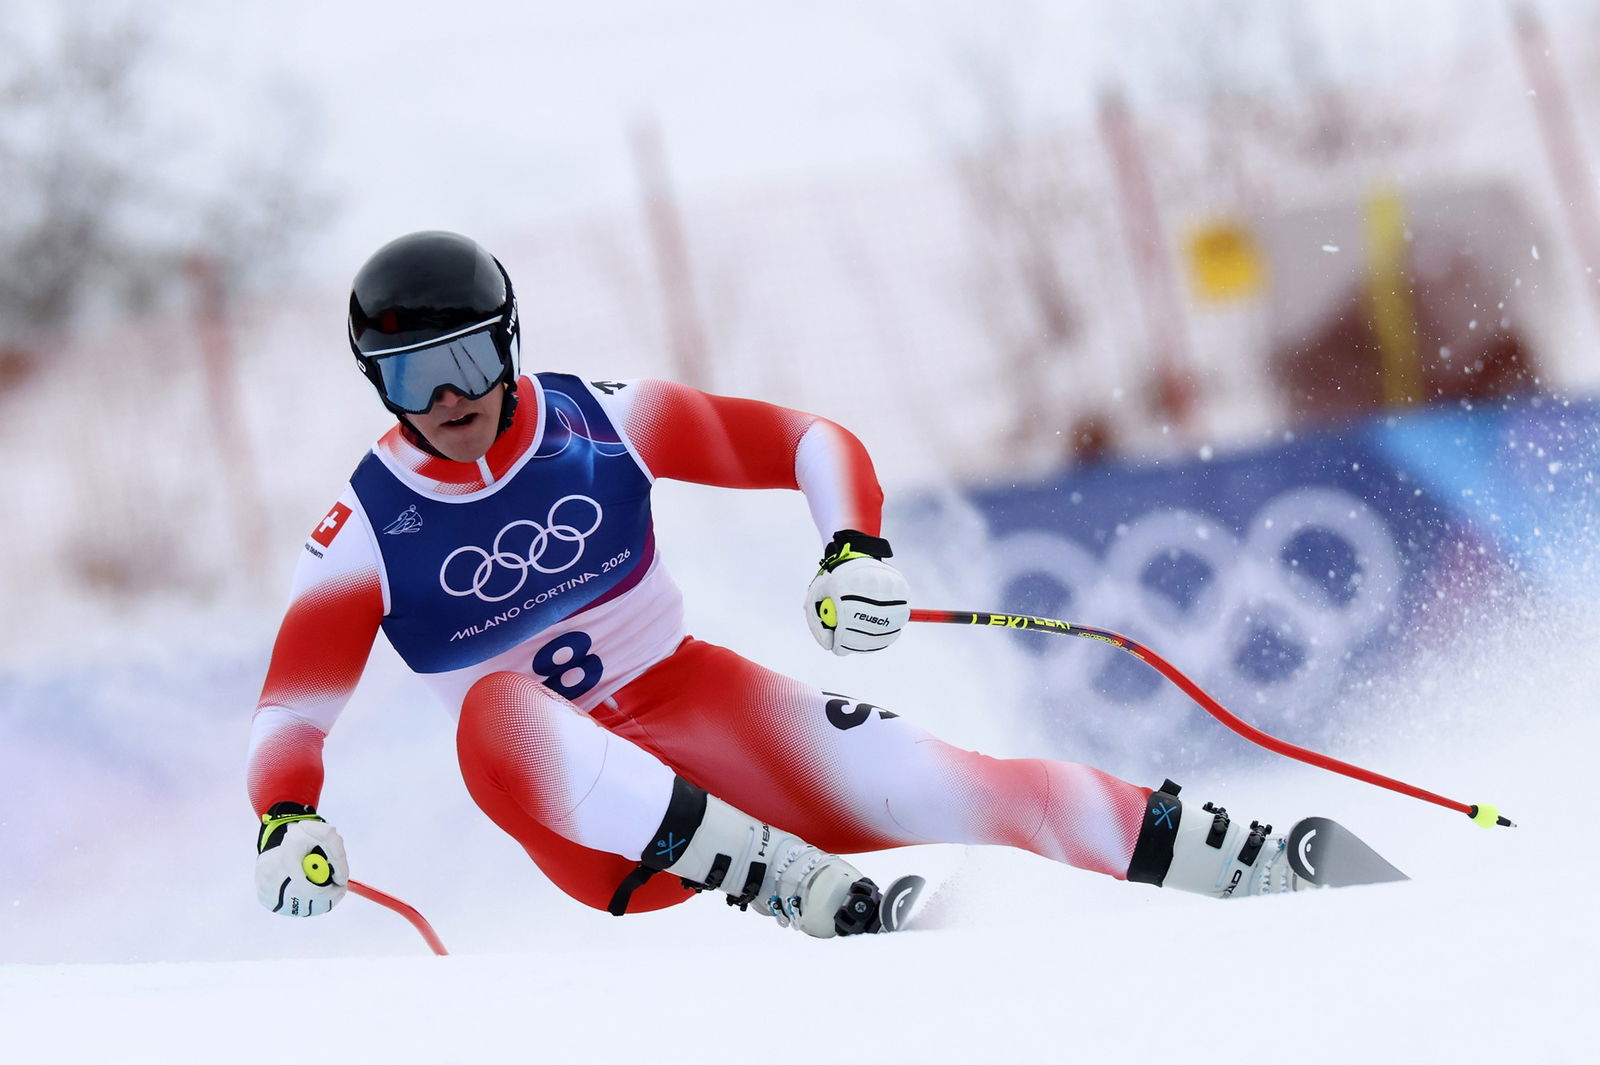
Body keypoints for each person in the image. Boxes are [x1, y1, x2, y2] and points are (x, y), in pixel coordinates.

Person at [249, 231, 1306, 940]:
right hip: (590, 827)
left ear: (509, 341)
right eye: (412, 376)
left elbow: (809, 440)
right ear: (377, 385)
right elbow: (291, 716)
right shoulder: (363, 529)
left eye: (471, 361)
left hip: (702, 712)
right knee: (496, 708)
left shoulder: (602, 418)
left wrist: (853, 547)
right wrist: (286, 818)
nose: (448, 398)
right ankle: (784, 880)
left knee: (960, 783)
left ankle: (1260, 867)